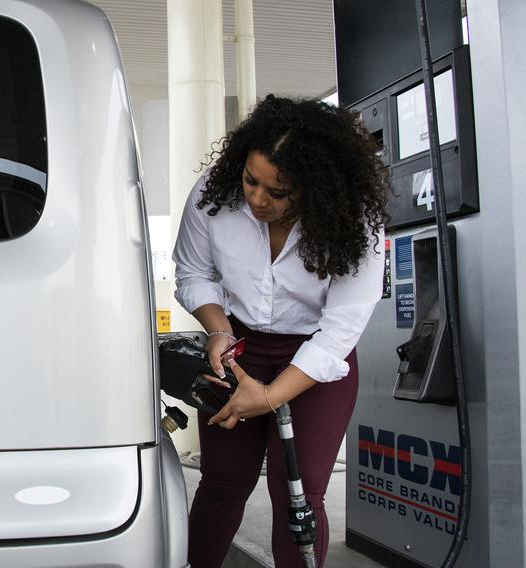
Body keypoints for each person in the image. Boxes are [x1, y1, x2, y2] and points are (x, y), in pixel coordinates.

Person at [173, 95, 389, 568]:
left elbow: (338, 333)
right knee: (223, 482)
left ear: (317, 188)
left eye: (279, 192)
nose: (257, 198)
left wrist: (270, 397)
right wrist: (218, 331)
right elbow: (193, 272)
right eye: (251, 180)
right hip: (238, 347)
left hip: (314, 358)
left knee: (299, 490)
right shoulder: (216, 190)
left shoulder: (356, 222)